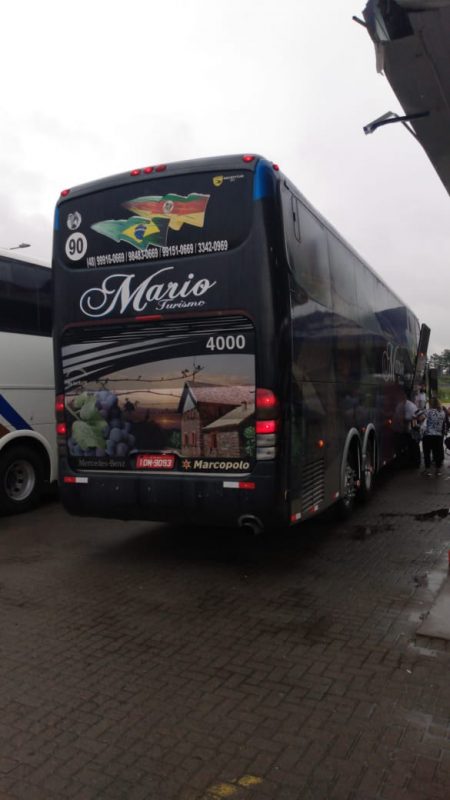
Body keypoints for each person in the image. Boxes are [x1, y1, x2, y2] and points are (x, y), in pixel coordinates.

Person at [392, 390, 420, 467]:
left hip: (412, 429)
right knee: (408, 446)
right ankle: (409, 462)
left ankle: (415, 463)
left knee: (414, 446)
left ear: (404, 397)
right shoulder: (400, 405)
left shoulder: (410, 405)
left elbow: (415, 416)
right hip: (406, 430)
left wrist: (404, 421)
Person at [422, 397, 446, 476]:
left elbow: (420, 418)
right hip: (438, 436)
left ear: (431, 404)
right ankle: (438, 470)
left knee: (427, 453)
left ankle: (427, 470)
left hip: (428, 435)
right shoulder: (442, 412)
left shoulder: (428, 412)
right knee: (437, 453)